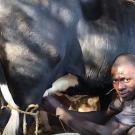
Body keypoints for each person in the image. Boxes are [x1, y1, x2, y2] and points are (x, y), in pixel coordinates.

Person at [42, 53, 135, 135]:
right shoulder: (126, 95)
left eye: (126, 80)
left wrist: (60, 112)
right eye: (115, 81)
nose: (120, 87)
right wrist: (61, 110)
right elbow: (103, 116)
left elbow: (106, 132)